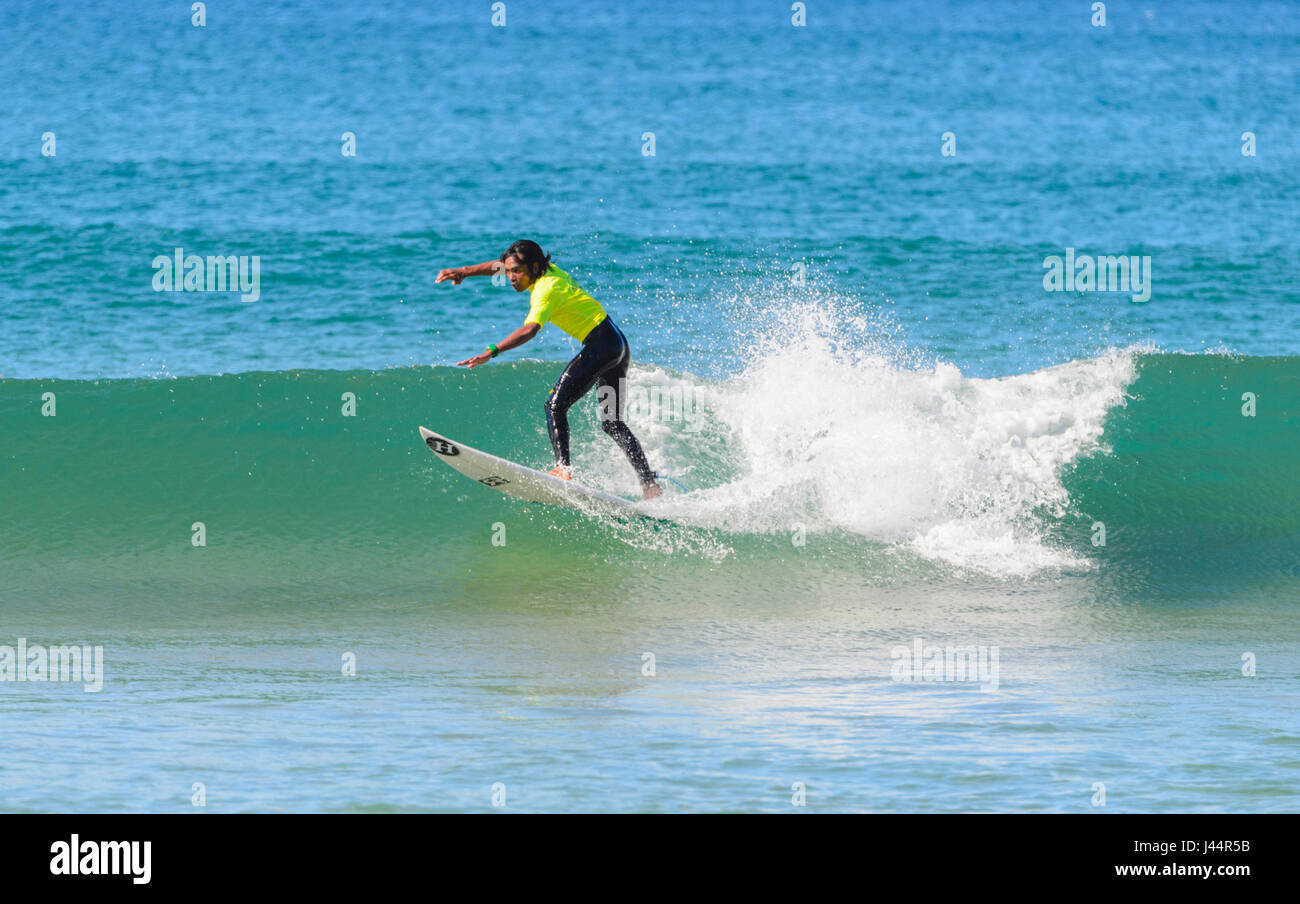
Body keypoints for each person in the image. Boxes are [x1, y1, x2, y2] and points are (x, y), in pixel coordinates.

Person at [437, 240, 662, 500]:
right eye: (508, 271)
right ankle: (650, 486)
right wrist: (465, 271)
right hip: (617, 344)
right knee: (612, 424)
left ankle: (563, 469)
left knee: (554, 405)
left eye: (516, 271)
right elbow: (498, 266)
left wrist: (492, 351)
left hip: (601, 346)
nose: (510, 277)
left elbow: (530, 329)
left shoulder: (545, 289)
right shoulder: (548, 270)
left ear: (533, 267)